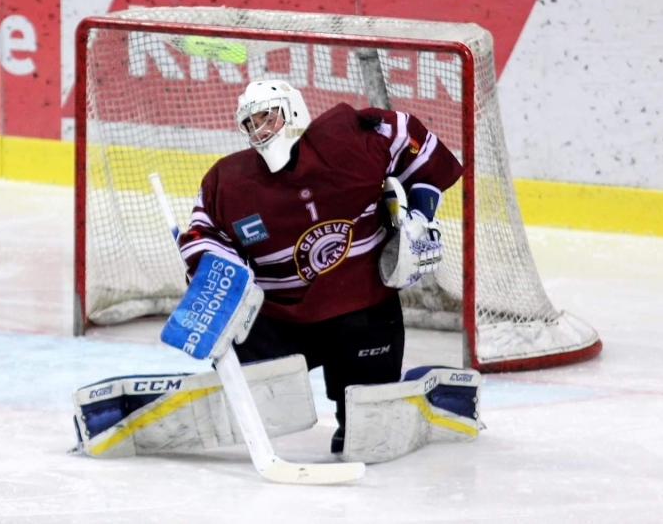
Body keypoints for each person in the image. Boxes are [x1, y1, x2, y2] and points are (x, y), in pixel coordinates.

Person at [177, 79, 464, 453]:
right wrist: (220, 279)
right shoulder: (229, 181)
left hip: (362, 311)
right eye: (250, 123)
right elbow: (203, 233)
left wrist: (419, 215)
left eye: (267, 118)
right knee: (255, 402)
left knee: (367, 435)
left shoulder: (348, 139)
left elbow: (410, 140)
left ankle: (378, 404)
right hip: (279, 319)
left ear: (293, 110)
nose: (259, 130)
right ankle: (236, 389)